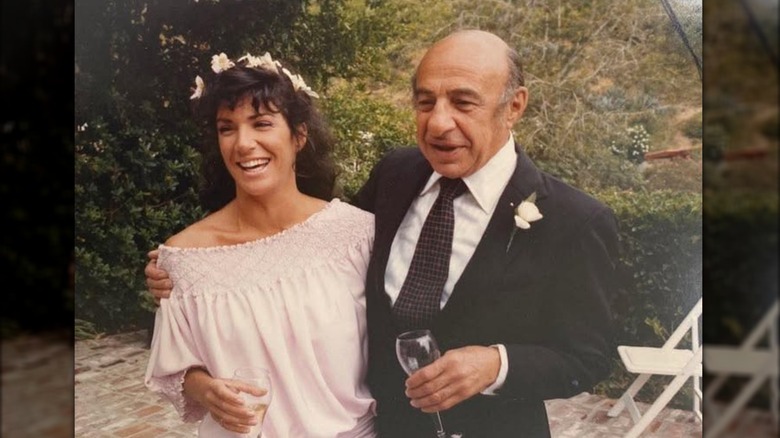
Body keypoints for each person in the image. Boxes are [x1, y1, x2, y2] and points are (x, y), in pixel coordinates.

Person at [147, 30, 620, 437]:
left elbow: (589, 356)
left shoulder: (575, 221)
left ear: (513, 105)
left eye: (462, 102)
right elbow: (310, 254)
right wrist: (188, 269)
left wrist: (496, 364)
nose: (438, 123)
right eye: (425, 101)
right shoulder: (396, 176)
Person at [143, 52, 377, 438]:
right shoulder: (185, 258)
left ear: (299, 135)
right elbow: (175, 367)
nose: (243, 143)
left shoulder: (356, 235)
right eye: (226, 128)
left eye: (262, 123)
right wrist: (207, 390)